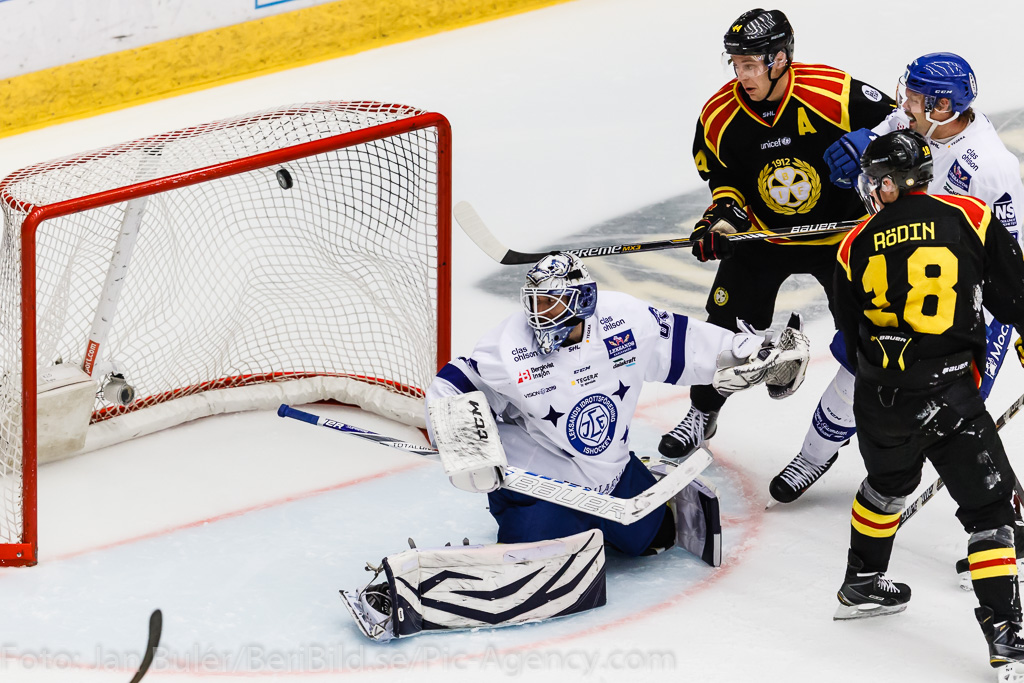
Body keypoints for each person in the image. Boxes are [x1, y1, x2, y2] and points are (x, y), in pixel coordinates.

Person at [426, 251, 808, 557]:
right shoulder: (509, 347)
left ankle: (630, 492)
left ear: (583, 301)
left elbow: (686, 342)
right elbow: (451, 385)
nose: (539, 314)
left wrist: (749, 354)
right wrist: (468, 451)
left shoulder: (624, 320)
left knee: (651, 538)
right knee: (539, 557)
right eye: (535, 302)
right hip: (542, 487)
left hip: (610, 475)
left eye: (552, 304)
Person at [771, 51, 1024, 505]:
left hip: (961, 305)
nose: (902, 105)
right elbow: (882, 153)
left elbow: (1007, 259)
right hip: (899, 282)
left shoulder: (992, 167)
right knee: (857, 371)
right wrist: (863, 148)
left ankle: (998, 519)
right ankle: (814, 457)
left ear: (942, 107)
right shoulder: (916, 124)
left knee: (956, 414)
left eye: (912, 99)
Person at [659, 8, 895, 462]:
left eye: (750, 64)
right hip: (764, 240)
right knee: (721, 331)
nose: (741, 74)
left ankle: (867, 432)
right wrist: (723, 220)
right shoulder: (719, 115)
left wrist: (870, 141)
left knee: (868, 337)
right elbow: (724, 181)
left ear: (780, 58)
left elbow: (899, 127)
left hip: (841, 240)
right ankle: (701, 413)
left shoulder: (833, 92)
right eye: (736, 64)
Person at [831, 130, 1024, 678]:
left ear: (889, 182)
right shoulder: (969, 214)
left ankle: (863, 581)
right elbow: (1015, 297)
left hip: (877, 399)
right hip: (948, 398)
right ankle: (1007, 636)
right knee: (991, 515)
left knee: (886, 486)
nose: (871, 190)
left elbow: (850, 332)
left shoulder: (852, 243)